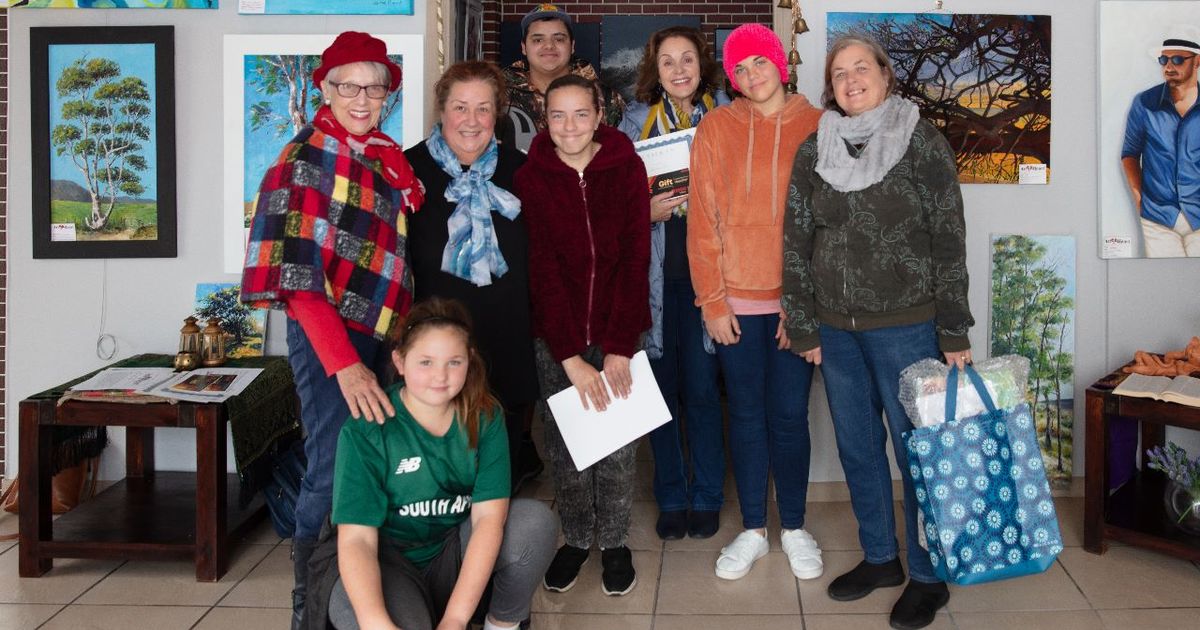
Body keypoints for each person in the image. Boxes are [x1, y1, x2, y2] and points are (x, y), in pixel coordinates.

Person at [782, 34, 975, 630]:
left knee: (920, 454)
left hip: (908, 327)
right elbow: (796, 239)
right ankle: (881, 558)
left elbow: (949, 238)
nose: (851, 80)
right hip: (836, 331)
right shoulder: (816, 147)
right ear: (830, 87)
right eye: (839, 72)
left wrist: (953, 328)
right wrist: (804, 322)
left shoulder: (921, 140)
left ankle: (928, 575)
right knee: (858, 448)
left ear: (885, 75)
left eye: (861, 68)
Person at [239, 31, 425, 629]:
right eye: (349, 86)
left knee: (371, 463)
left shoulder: (380, 155)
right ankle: (309, 606)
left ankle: (362, 592)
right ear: (325, 88)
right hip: (331, 335)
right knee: (332, 467)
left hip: (380, 331)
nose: (362, 98)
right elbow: (298, 281)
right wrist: (346, 366)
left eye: (375, 87)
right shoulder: (305, 159)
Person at [319, 297, 558, 630]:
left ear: (470, 360)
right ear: (400, 361)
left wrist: (456, 619)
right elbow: (357, 539)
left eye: (454, 362)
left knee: (534, 523)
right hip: (387, 562)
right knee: (364, 612)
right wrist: (377, 622)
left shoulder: (485, 416)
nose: (440, 376)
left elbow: (488, 520)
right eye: (426, 362)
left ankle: (500, 624)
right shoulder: (366, 428)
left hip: (451, 550)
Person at [687, 23, 824, 584]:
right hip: (735, 302)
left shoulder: (819, 126)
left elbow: (827, 227)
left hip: (794, 303)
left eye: (758, 62)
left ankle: (793, 526)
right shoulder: (716, 127)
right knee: (744, 415)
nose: (750, 75)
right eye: (738, 68)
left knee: (789, 416)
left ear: (780, 64)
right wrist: (712, 302)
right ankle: (752, 529)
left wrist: (804, 307)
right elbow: (702, 220)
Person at [515, 74, 651, 597]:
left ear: (599, 116)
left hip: (618, 331)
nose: (569, 126)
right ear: (544, 120)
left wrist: (620, 346)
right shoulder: (531, 178)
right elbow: (542, 271)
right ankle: (575, 538)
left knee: (617, 447)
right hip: (557, 338)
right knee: (568, 446)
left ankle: (614, 541)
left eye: (580, 114)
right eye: (557, 115)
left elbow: (636, 258)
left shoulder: (626, 168)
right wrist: (569, 356)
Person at [405, 61, 541, 494]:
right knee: (438, 479)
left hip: (506, 340)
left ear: (497, 114)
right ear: (442, 110)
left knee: (499, 477)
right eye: (460, 107)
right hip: (435, 349)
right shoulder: (407, 172)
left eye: (483, 108)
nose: (471, 120)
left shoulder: (524, 171)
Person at [617, 25, 728, 542]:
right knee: (660, 393)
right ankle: (671, 496)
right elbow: (611, 200)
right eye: (668, 61)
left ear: (702, 65)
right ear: (655, 70)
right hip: (655, 281)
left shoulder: (727, 116)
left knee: (703, 391)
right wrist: (644, 210)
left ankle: (706, 496)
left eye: (687, 59)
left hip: (710, 280)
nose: (679, 69)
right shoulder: (632, 124)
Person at [500, 3, 625, 152]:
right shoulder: (499, 96)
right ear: (523, 47)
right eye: (538, 40)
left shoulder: (606, 98)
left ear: (572, 46)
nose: (549, 46)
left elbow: (624, 154)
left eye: (559, 39)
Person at [1121, 26, 1200, 257]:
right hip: (1157, 219)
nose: (1168, 66)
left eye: (1178, 60)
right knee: (1161, 276)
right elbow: (1130, 154)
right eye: (1164, 60)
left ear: (1197, 62)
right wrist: (1140, 201)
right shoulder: (1144, 103)